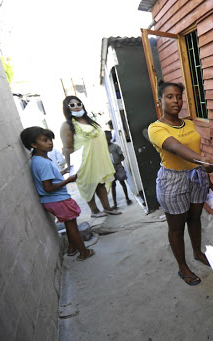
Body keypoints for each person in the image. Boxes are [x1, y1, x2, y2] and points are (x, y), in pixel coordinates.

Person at [148, 81, 213, 286]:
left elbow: (194, 152)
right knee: (176, 227)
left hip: (196, 176)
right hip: (173, 181)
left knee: (195, 219)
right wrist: (204, 162)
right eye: (169, 97)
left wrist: (208, 178)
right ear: (160, 100)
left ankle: (197, 253)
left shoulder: (188, 123)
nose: (176, 101)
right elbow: (175, 147)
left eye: (179, 96)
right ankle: (183, 266)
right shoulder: (156, 128)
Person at [20, 126, 95, 261]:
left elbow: (49, 178)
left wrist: (63, 172)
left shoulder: (38, 160)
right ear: (33, 144)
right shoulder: (43, 163)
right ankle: (83, 252)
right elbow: (48, 187)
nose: (50, 142)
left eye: (50, 139)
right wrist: (68, 180)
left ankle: (72, 249)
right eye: (44, 140)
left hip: (52, 200)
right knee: (73, 227)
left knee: (68, 224)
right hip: (58, 199)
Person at [60, 96, 122, 218]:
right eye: (72, 105)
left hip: (98, 160)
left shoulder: (90, 121)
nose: (76, 106)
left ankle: (107, 208)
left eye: (79, 103)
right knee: (88, 185)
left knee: (100, 183)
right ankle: (94, 211)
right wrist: (70, 167)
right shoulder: (67, 125)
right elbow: (67, 147)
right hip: (83, 161)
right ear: (67, 109)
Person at [105, 130, 132, 207]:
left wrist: (117, 161)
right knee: (113, 185)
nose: (106, 140)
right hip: (110, 169)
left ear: (110, 137)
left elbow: (122, 156)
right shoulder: (103, 149)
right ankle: (114, 203)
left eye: (107, 138)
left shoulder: (115, 147)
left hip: (118, 167)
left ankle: (127, 198)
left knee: (122, 182)